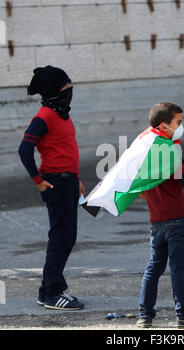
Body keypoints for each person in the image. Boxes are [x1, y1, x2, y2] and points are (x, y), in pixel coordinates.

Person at [18, 65, 85, 310]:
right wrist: (38, 179)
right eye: (66, 85)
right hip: (55, 182)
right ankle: (53, 293)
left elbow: (66, 149)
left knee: (66, 236)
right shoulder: (44, 116)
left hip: (68, 181)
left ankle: (47, 290)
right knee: (61, 237)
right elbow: (24, 150)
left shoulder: (62, 115)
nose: (70, 89)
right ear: (54, 89)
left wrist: (76, 178)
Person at [136, 102, 184, 328]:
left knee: (153, 268)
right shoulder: (167, 151)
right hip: (177, 219)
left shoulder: (142, 152)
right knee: (178, 270)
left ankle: (145, 317)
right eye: (178, 123)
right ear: (163, 125)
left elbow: (139, 191)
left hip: (156, 221)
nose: (180, 127)